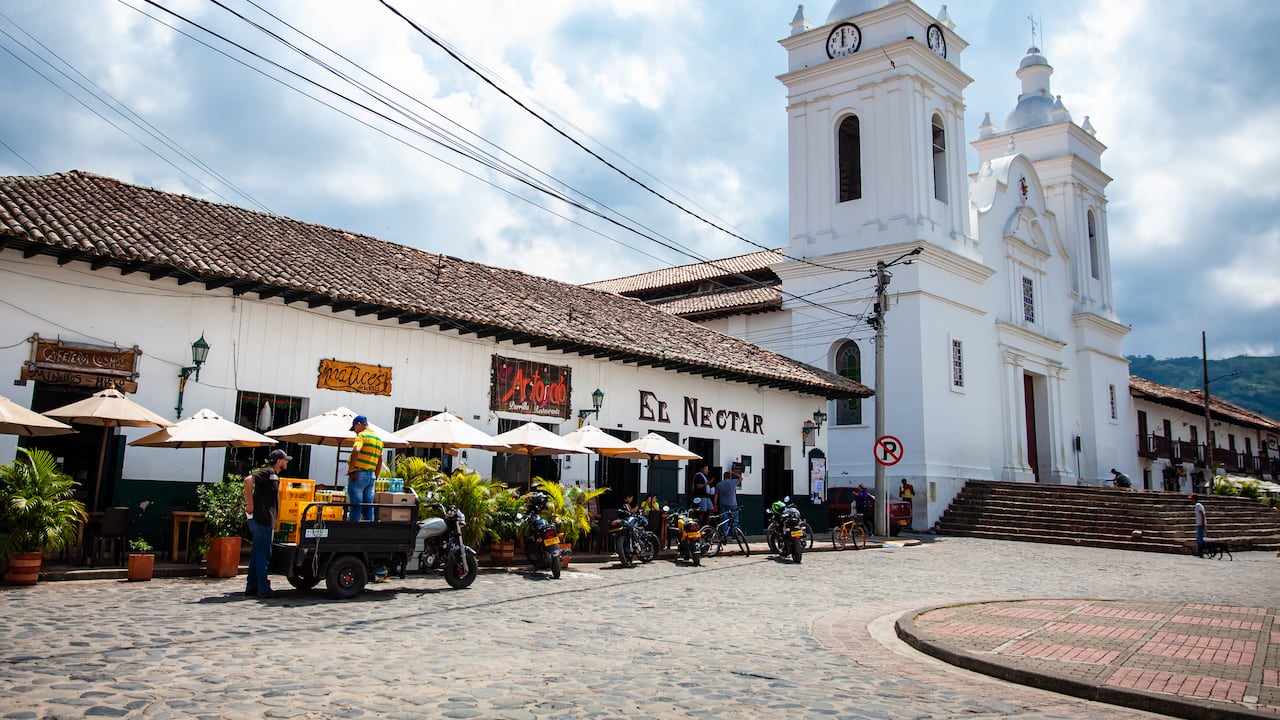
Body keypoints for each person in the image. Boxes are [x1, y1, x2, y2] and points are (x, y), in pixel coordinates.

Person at [243, 448, 290, 598]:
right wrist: (249, 504)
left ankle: (252, 586)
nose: (287, 462)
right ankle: (262, 587)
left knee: (258, 553)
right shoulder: (268, 472)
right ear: (279, 461)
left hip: (265, 519)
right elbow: (248, 480)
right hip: (262, 519)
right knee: (263, 554)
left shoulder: (274, 476)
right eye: (285, 460)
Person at [345, 415, 383, 521]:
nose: (355, 432)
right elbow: (380, 459)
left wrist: (351, 468)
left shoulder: (362, 436)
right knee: (368, 505)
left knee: (356, 505)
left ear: (359, 424)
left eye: (355, 428)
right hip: (371, 476)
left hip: (359, 474)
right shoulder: (378, 438)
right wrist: (376, 475)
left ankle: (353, 530)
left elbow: (356, 450)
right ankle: (369, 530)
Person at [715, 463, 743, 532]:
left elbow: (716, 495)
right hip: (732, 504)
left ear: (723, 477)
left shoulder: (719, 484)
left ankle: (725, 535)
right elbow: (741, 478)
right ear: (730, 477)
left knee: (724, 521)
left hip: (723, 504)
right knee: (735, 520)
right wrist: (733, 473)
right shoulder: (733, 482)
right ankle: (734, 535)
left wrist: (715, 504)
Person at [1191, 493, 1207, 558]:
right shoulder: (1198, 505)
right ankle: (1200, 551)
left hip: (1200, 524)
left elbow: (1202, 514)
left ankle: (1201, 552)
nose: (1191, 500)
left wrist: (1203, 523)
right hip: (1199, 524)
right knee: (1199, 539)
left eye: (1192, 499)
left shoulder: (1198, 505)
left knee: (1200, 539)